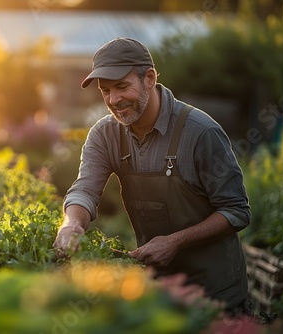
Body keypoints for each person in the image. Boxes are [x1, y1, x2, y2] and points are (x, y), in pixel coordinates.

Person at [53, 37, 251, 313]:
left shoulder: (200, 132)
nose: (114, 100)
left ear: (149, 77)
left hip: (214, 295)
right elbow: (85, 188)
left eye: (122, 87)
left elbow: (236, 210)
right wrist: (71, 224)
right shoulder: (105, 134)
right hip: (155, 293)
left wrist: (175, 241)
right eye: (105, 90)